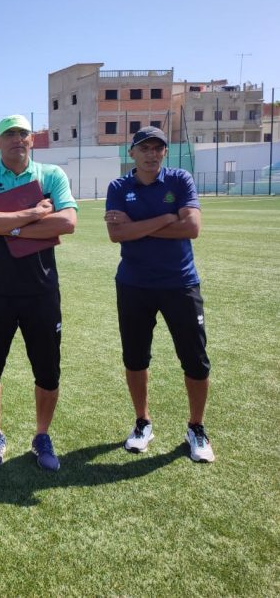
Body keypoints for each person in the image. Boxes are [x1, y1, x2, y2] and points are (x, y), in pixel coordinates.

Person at [0, 115, 77, 471]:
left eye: (23, 133)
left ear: (32, 140)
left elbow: (67, 222)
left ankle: (42, 435)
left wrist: (6, 226)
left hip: (41, 290)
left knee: (48, 371)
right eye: (9, 134)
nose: (17, 139)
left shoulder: (51, 175)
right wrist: (33, 214)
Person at [105, 126, 214, 463]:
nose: (152, 154)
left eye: (158, 148)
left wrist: (137, 226)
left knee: (195, 359)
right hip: (134, 285)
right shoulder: (119, 187)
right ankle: (143, 422)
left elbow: (191, 228)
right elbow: (116, 234)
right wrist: (167, 218)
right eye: (145, 148)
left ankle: (196, 427)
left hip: (180, 283)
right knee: (135, 358)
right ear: (132, 153)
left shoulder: (180, 180)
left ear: (165, 152)